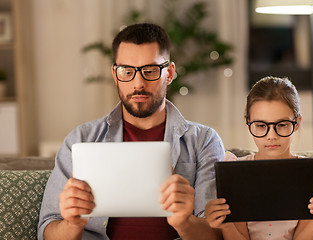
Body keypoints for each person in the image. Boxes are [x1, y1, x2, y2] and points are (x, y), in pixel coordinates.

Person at [38, 23, 225, 240]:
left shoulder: (204, 141)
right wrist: (72, 224)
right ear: (115, 74)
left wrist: (184, 221)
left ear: (169, 73)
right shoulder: (80, 140)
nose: (138, 83)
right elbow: (47, 231)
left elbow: (217, 234)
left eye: (150, 71)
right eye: (127, 71)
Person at [205, 76, 313, 240]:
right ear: (249, 122)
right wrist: (226, 224)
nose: (271, 136)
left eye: (282, 125)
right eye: (261, 126)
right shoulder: (236, 172)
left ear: (296, 123)